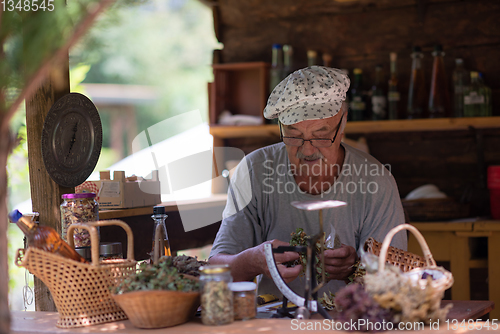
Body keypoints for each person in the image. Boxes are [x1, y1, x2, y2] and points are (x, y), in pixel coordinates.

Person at [209, 66, 407, 297]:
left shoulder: (376, 180)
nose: (308, 149)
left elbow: (394, 282)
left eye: (321, 136)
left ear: (342, 124)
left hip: (349, 323)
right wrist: (253, 261)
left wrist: (354, 270)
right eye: (294, 136)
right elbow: (216, 269)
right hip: (274, 321)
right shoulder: (253, 171)